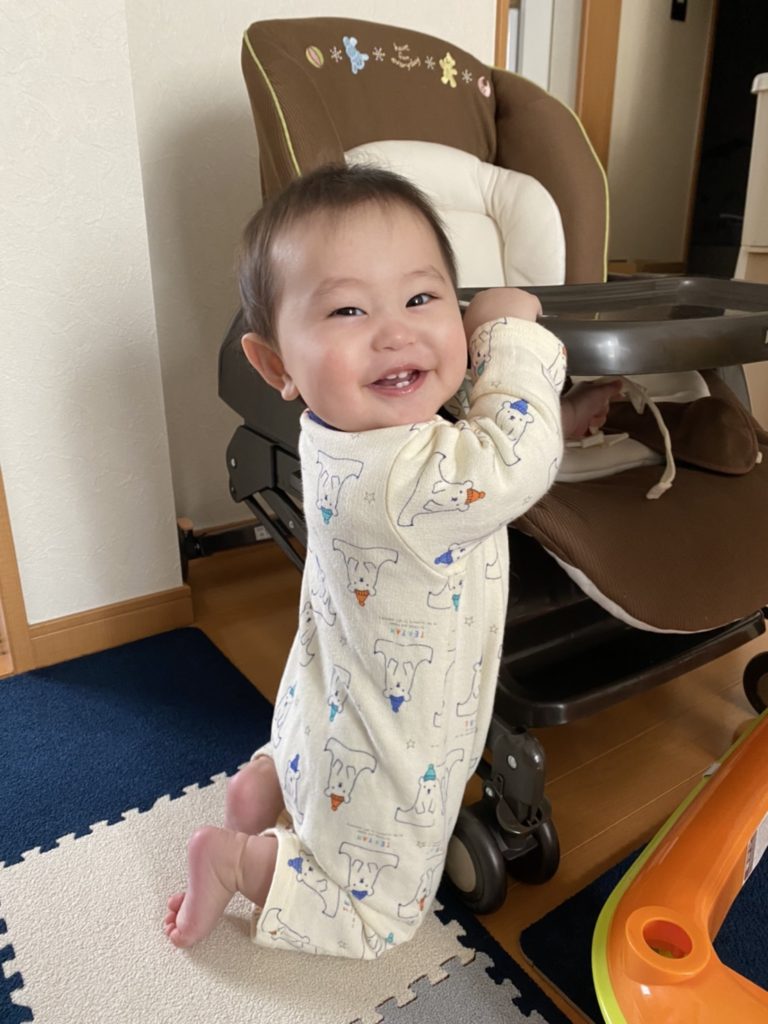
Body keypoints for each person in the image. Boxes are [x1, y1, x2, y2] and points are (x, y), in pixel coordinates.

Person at [164, 164, 619, 957]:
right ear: (276, 366)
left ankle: (273, 778)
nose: (396, 334)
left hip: (342, 681)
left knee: (322, 710)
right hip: (397, 742)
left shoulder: (344, 433)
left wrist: (562, 410)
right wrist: (507, 334)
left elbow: (449, 424)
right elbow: (508, 462)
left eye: (421, 298)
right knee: (374, 917)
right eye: (348, 309)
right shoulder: (408, 482)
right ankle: (238, 863)